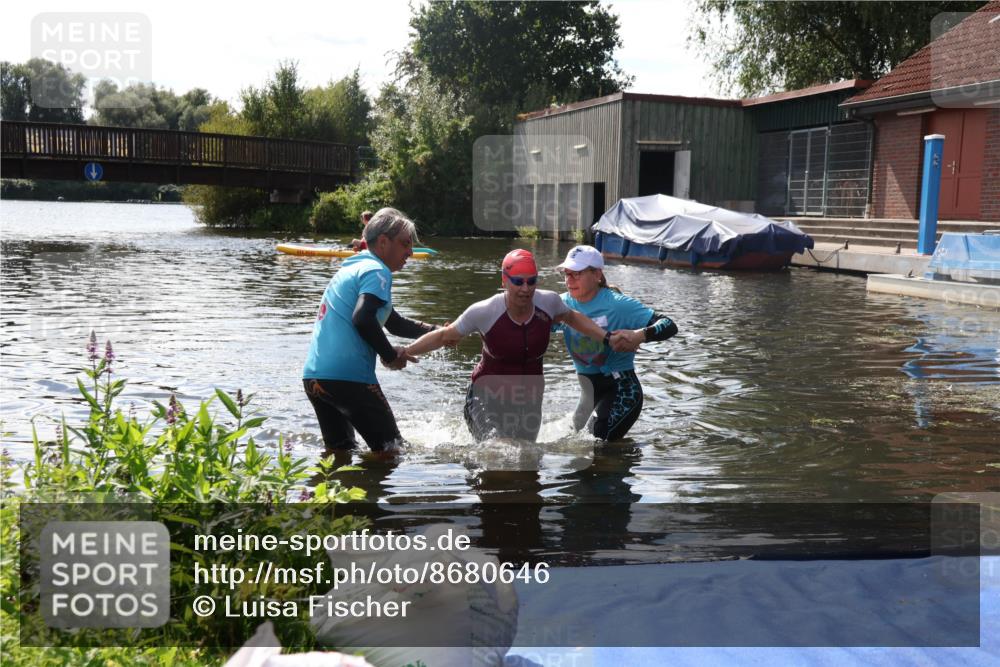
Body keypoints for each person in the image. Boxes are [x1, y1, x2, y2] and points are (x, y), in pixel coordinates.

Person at [404, 249, 621, 442]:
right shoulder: (484, 311)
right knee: (499, 453)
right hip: (485, 398)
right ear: (504, 281)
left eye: (531, 281)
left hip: (529, 401)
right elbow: (443, 336)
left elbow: (573, 318)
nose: (526, 289)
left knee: (528, 462)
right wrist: (405, 352)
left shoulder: (549, 303)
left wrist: (607, 337)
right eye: (518, 282)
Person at [303, 207, 438, 456]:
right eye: (405, 244)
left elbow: (393, 322)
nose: (410, 252)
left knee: (338, 454)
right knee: (392, 451)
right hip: (349, 379)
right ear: (384, 242)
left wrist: (438, 331)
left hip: (315, 378)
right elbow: (362, 319)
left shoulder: (353, 267)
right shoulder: (378, 271)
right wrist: (389, 355)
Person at [555, 245, 678, 441]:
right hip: (589, 395)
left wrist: (639, 335)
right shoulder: (560, 305)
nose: (569, 280)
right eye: (567, 274)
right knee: (570, 442)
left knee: (595, 445)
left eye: (576, 274)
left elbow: (669, 325)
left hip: (622, 391)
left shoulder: (618, 304)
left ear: (597, 274)